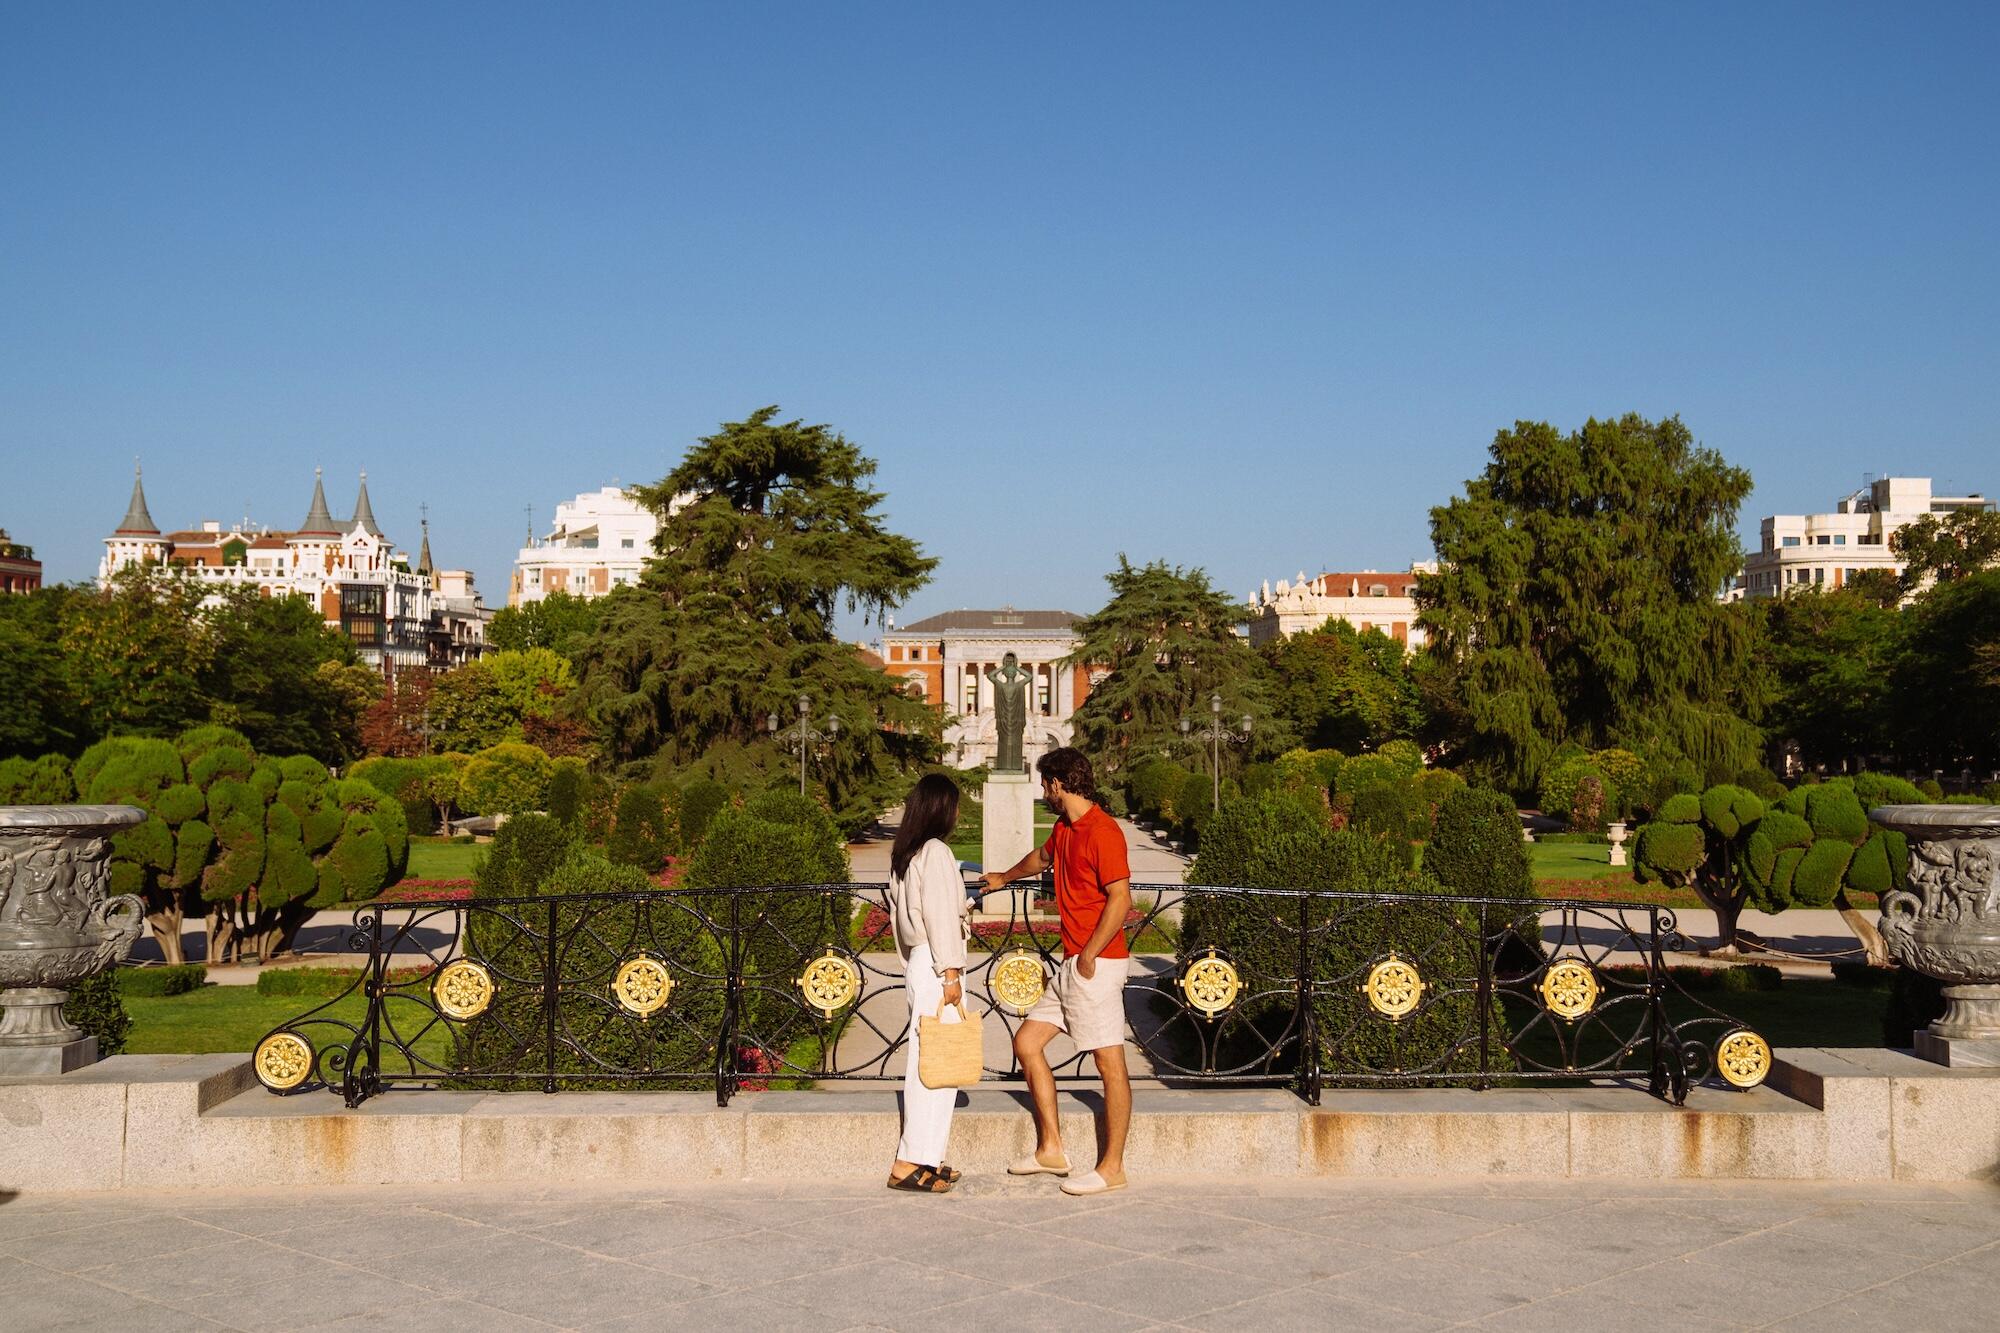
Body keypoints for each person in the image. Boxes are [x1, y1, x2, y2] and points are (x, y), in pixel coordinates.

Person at [983, 746, 1133, 1195]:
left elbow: (1120, 899)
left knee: (1109, 1064)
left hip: (1097, 964)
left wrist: (1089, 954)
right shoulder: (1065, 827)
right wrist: (1004, 878)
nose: (1043, 791)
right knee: (1027, 1043)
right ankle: (1051, 1149)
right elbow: (1040, 858)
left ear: (1059, 783)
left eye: (1045, 783)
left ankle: (1112, 1168)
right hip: (1074, 964)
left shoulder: (1103, 831)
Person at [884, 773, 972, 1193]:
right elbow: (938, 915)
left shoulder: (906, 853)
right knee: (934, 1067)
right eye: (953, 806)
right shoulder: (936, 851)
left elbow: (904, 919)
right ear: (942, 809)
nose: (956, 813)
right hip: (940, 967)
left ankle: (928, 1156)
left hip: (922, 962)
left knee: (939, 1063)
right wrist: (951, 972)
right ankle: (908, 1161)